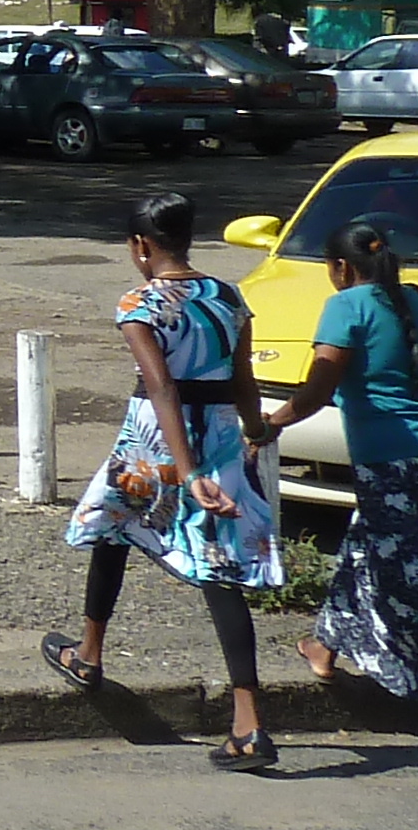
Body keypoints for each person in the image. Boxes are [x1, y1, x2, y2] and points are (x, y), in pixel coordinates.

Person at [264, 218, 418, 778]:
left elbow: (318, 387)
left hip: (390, 462)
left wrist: (270, 424)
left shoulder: (347, 306)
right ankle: (324, 648)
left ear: (341, 267)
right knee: (373, 551)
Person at [44, 189, 282, 769]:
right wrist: (255, 429)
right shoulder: (228, 296)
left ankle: (90, 654)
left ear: (140, 246)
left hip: (156, 439)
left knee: (113, 529)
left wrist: (186, 467)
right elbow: (244, 377)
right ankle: (247, 722)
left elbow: (161, 387)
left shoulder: (140, 304)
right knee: (217, 566)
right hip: (222, 429)